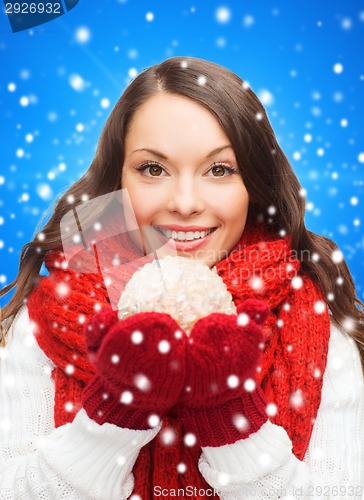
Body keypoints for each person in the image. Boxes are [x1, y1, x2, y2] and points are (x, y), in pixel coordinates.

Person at [1, 56, 363, 500]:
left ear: (254, 184)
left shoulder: (314, 322)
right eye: (153, 169)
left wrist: (231, 418)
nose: (186, 202)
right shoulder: (46, 320)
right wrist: (116, 406)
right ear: (118, 179)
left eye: (219, 169)